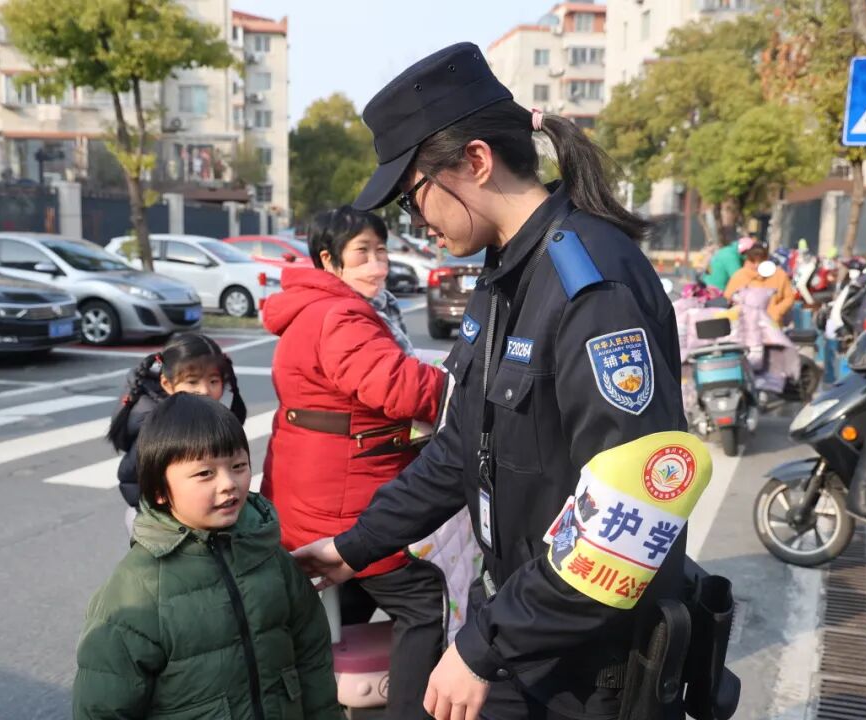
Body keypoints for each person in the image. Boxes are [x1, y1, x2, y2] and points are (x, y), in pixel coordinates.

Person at [289, 43, 714, 720]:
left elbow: (633, 510)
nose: (415, 222)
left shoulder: (589, 285)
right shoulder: (504, 276)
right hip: (523, 622)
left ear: (476, 161)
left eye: (414, 196)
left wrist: (485, 644)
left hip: (583, 658)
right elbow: (459, 448)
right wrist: (354, 545)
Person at [261, 205, 448, 719]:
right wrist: (462, 389)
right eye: (362, 253)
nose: (378, 264)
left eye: (382, 251)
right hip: (342, 499)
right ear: (329, 260)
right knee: (426, 601)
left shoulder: (319, 308)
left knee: (354, 593)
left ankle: (324, 697)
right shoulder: (339, 314)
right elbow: (398, 385)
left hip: (315, 490)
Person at [74, 393, 341, 719]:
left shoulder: (271, 558)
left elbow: (312, 659)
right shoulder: (136, 590)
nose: (229, 484)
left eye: (238, 466)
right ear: (159, 490)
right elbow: (103, 706)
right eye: (205, 474)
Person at [107, 332, 245, 533]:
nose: (205, 390)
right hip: (157, 522)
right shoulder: (158, 427)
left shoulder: (203, 416)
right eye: (192, 382)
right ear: (167, 384)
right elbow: (130, 478)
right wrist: (166, 516)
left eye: (213, 381)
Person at [723, 242, 796, 325]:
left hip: (772, 324)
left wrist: (776, 311)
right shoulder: (739, 276)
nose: (756, 265)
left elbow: (789, 298)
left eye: (760, 261)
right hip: (746, 326)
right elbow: (728, 296)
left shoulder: (779, 275)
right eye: (753, 261)